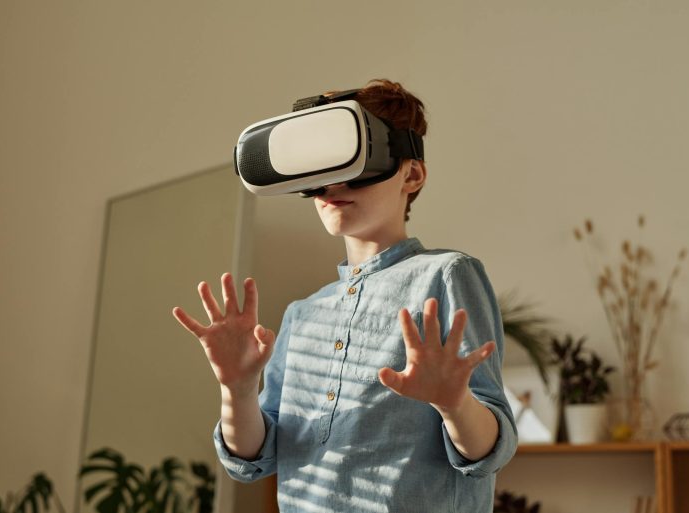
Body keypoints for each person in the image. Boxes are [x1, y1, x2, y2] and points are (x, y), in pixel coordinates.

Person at [172, 79, 517, 512]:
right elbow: (253, 459)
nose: (332, 187)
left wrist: (454, 403)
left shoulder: (446, 275)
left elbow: (490, 450)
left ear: (411, 174)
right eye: (320, 174)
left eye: (351, 169)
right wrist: (238, 389)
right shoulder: (303, 314)